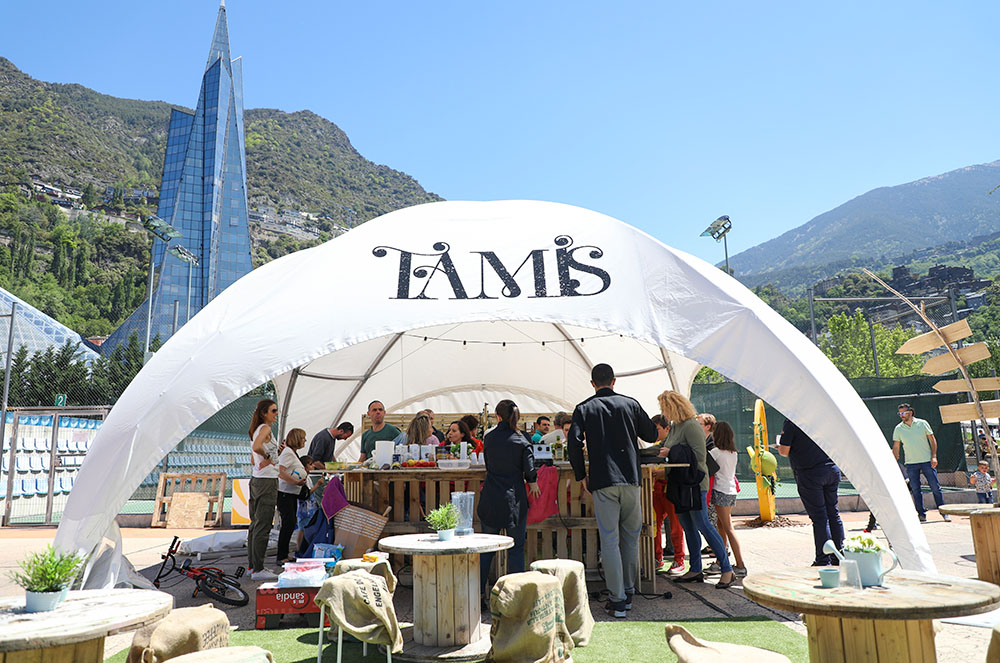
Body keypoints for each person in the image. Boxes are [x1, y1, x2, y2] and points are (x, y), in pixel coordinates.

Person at [568, 363, 658, 618]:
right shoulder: (630, 404)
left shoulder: (584, 408)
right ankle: (627, 593)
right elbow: (651, 435)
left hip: (603, 479)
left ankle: (617, 600)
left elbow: (573, 444)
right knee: (630, 538)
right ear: (614, 380)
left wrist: (581, 475)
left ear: (592, 384)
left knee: (609, 540)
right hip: (631, 479)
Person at [658, 390, 734, 589]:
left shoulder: (691, 425)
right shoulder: (676, 426)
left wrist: (671, 452)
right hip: (681, 484)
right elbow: (663, 447)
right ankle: (695, 569)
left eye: (664, 408)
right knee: (688, 526)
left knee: (703, 524)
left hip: (694, 484)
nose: (663, 412)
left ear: (673, 407)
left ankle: (727, 569)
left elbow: (699, 455)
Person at [478, 400, 540, 600]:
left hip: (491, 497)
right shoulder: (522, 439)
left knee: (487, 550)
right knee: (516, 549)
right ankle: (515, 597)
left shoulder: (489, 438)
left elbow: (488, 463)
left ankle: (478, 595)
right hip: (514, 498)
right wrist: (533, 482)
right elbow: (529, 468)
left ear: (497, 416)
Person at [778, 419, 845, 565]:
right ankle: (839, 555)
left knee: (820, 518)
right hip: (831, 468)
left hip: (810, 472)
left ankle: (823, 559)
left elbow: (784, 451)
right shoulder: (822, 417)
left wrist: (780, 447)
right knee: (833, 513)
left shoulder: (792, 420)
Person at [892, 402, 949, 523]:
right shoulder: (898, 428)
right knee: (916, 490)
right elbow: (896, 446)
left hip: (927, 461)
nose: (901, 415)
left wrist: (934, 456)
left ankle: (944, 513)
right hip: (911, 464)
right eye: (899, 413)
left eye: (904, 412)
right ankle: (921, 514)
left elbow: (932, 440)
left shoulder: (923, 423)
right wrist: (894, 459)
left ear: (911, 412)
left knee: (935, 487)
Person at [248, 399, 280, 580]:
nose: (276, 414)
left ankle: (253, 566)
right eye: (273, 411)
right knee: (263, 525)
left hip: (257, 479)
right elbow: (257, 447)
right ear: (264, 413)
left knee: (255, 524)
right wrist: (268, 456)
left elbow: (253, 458)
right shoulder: (265, 429)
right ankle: (258, 569)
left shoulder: (256, 430)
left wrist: (265, 459)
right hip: (266, 481)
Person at [708, 421, 746, 576]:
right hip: (731, 491)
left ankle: (740, 565)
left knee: (728, 528)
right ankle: (720, 561)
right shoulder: (733, 453)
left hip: (720, 491)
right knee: (722, 526)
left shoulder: (715, 452)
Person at [652, 414, 685, 574]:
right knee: (654, 525)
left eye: (657, 429)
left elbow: (679, 467)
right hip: (656, 490)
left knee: (676, 526)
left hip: (671, 490)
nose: (654, 432)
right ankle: (657, 558)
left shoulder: (676, 444)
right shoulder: (656, 445)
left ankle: (679, 559)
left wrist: (663, 473)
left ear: (667, 428)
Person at [276, 428, 308, 564]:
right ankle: (281, 555)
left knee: (290, 523)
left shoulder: (292, 453)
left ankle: (284, 554)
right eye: (303, 438)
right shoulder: (288, 453)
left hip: (291, 493)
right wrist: (295, 482)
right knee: (288, 523)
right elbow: (280, 471)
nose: (305, 441)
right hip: (285, 493)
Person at [295, 456, 327, 551]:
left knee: (306, 527)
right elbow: (307, 494)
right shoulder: (303, 478)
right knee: (302, 528)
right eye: (310, 464)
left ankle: (304, 548)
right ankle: (299, 548)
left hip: (310, 507)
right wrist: (317, 485)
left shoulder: (308, 477)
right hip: (305, 508)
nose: (313, 466)